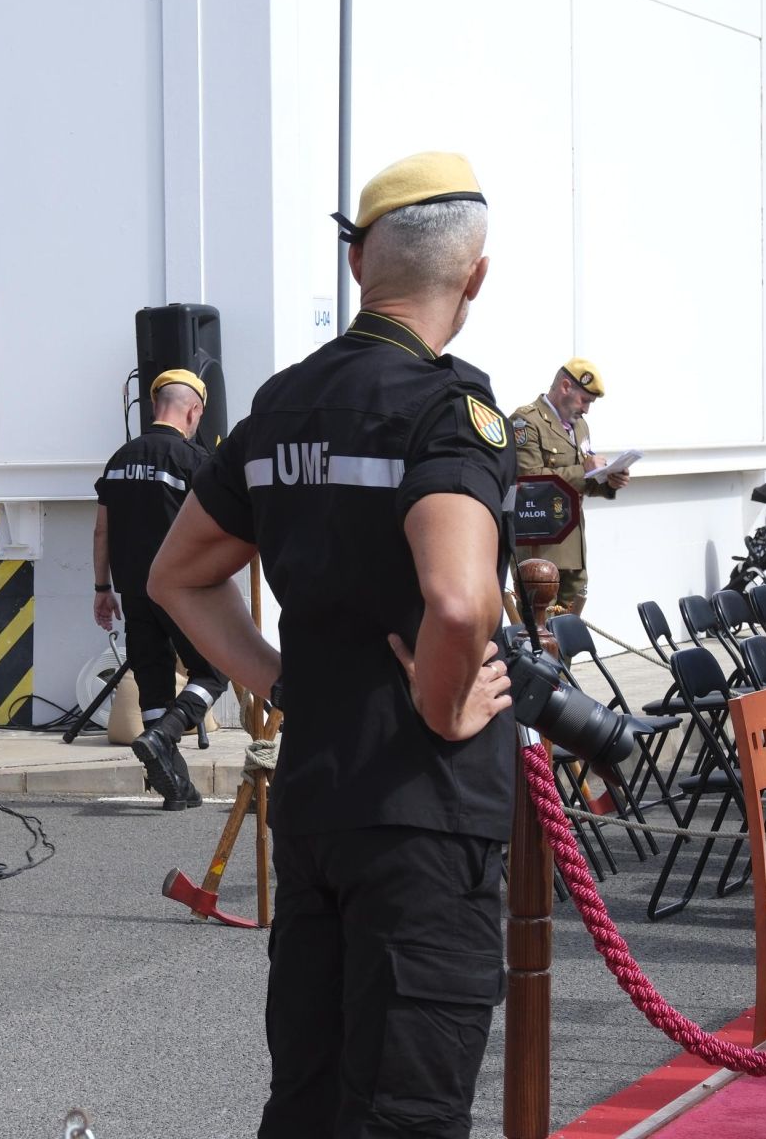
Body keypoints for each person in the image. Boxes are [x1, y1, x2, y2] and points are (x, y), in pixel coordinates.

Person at [149, 152, 517, 1137]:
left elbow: (177, 573)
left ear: (360, 263)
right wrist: (441, 706)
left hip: (316, 804)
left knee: (308, 1103)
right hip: (426, 818)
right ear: (474, 275)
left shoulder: (281, 406)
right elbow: (458, 596)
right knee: (403, 1112)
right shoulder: (449, 408)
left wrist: (278, 677)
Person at [91, 368, 227, 809]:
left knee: (153, 683)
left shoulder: (118, 460)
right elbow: (214, 530)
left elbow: (101, 532)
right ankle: (166, 733)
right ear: (195, 411)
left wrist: (101, 588)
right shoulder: (194, 461)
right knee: (213, 671)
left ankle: (177, 787)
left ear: (154, 406)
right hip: (182, 591)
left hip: (134, 592)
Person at [509, 360, 626, 613]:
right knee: (540, 630)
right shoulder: (526, 421)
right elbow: (529, 478)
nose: (586, 410)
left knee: (568, 630)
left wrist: (607, 481)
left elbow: (582, 483)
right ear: (565, 387)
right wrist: (584, 470)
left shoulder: (580, 426)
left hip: (573, 541)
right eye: (584, 400)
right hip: (539, 543)